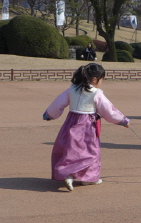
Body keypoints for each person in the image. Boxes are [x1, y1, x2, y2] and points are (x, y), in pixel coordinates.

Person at [43, 63, 130, 191]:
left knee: (70, 149)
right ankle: (89, 178)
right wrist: (123, 120)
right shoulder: (96, 93)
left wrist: (49, 114)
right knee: (90, 151)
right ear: (95, 79)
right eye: (101, 79)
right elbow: (108, 111)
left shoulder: (72, 89)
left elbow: (58, 103)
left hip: (71, 123)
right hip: (87, 125)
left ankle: (68, 174)